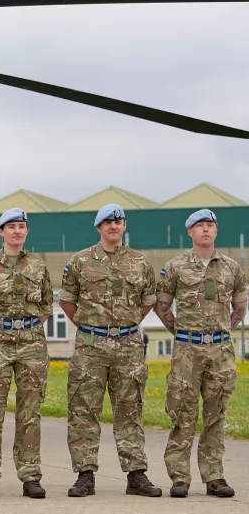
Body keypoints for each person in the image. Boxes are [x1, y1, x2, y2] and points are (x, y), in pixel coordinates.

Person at [59, 204, 161, 497]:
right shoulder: (80, 261)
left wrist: (124, 325)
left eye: (118, 221)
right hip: (90, 345)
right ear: (98, 228)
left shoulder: (140, 262)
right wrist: (89, 324)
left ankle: (136, 474)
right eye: (107, 222)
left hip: (128, 345)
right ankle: (85, 475)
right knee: (83, 409)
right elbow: (67, 301)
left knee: (130, 409)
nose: (113, 226)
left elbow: (147, 301)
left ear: (124, 226)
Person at [156, 208, 247, 498]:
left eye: (210, 225)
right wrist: (182, 335)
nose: (206, 229)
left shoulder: (231, 267)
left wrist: (223, 331)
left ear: (216, 231)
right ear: (190, 232)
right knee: (182, 411)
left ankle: (215, 476)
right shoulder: (175, 266)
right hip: (187, 348)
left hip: (220, 349)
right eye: (200, 225)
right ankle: (180, 477)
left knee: (215, 413)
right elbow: (162, 306)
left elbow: (240, 303)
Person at [0, 207, 52, 499]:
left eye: (22, 226)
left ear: (27, 231)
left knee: (30, 412)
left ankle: (30, 475)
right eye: (11, 226)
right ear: (1, 232)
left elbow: (45, 307)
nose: (17, 231)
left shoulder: (38, 266)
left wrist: (26, 327)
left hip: (31, 343)